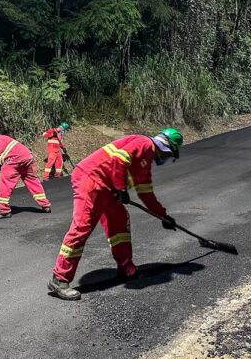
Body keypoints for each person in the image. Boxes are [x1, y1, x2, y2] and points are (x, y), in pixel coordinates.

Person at [47, 128, 184, 300]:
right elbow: (118, 160)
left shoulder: (145, 162)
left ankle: (126, 268)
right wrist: (120, 187)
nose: (165, 159)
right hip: (91, 179)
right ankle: (59, 279)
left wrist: (163, 216)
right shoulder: (145, 143)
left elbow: (146, 194)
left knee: (119, 220)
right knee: (82, 227)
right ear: (167, 147)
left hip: (107, 189)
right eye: (169, 154)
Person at [0, 126, 51, 219]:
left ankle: (4, 211)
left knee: (5, 185)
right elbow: (7, 150)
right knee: (32, 181)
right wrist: (1, 163)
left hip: (14, 161)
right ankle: (45, 205)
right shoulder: (2, 137)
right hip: (27, 157)